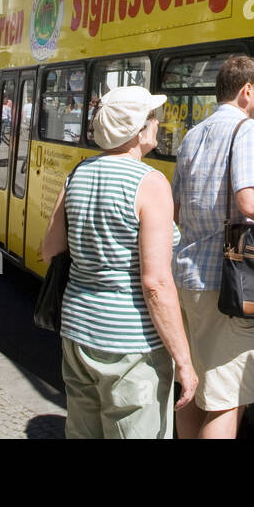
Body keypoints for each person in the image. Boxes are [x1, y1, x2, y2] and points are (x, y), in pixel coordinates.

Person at [40, 85, 197, 439]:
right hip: (131, 345)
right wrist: (184, 362)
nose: (157, 124)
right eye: (153, 118)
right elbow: (155, 284)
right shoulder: (150, 184)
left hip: (77, 332)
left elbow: (49, 249)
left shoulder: (77, 174)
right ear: (140, 131)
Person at [172, 55, 254, 439]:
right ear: (246, 91)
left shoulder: (194, 133)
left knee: (191, 389)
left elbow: (176, 210)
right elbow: (250, 201)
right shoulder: (248, 130)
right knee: (226, 398)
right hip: (228, 285)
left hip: (187, 279)